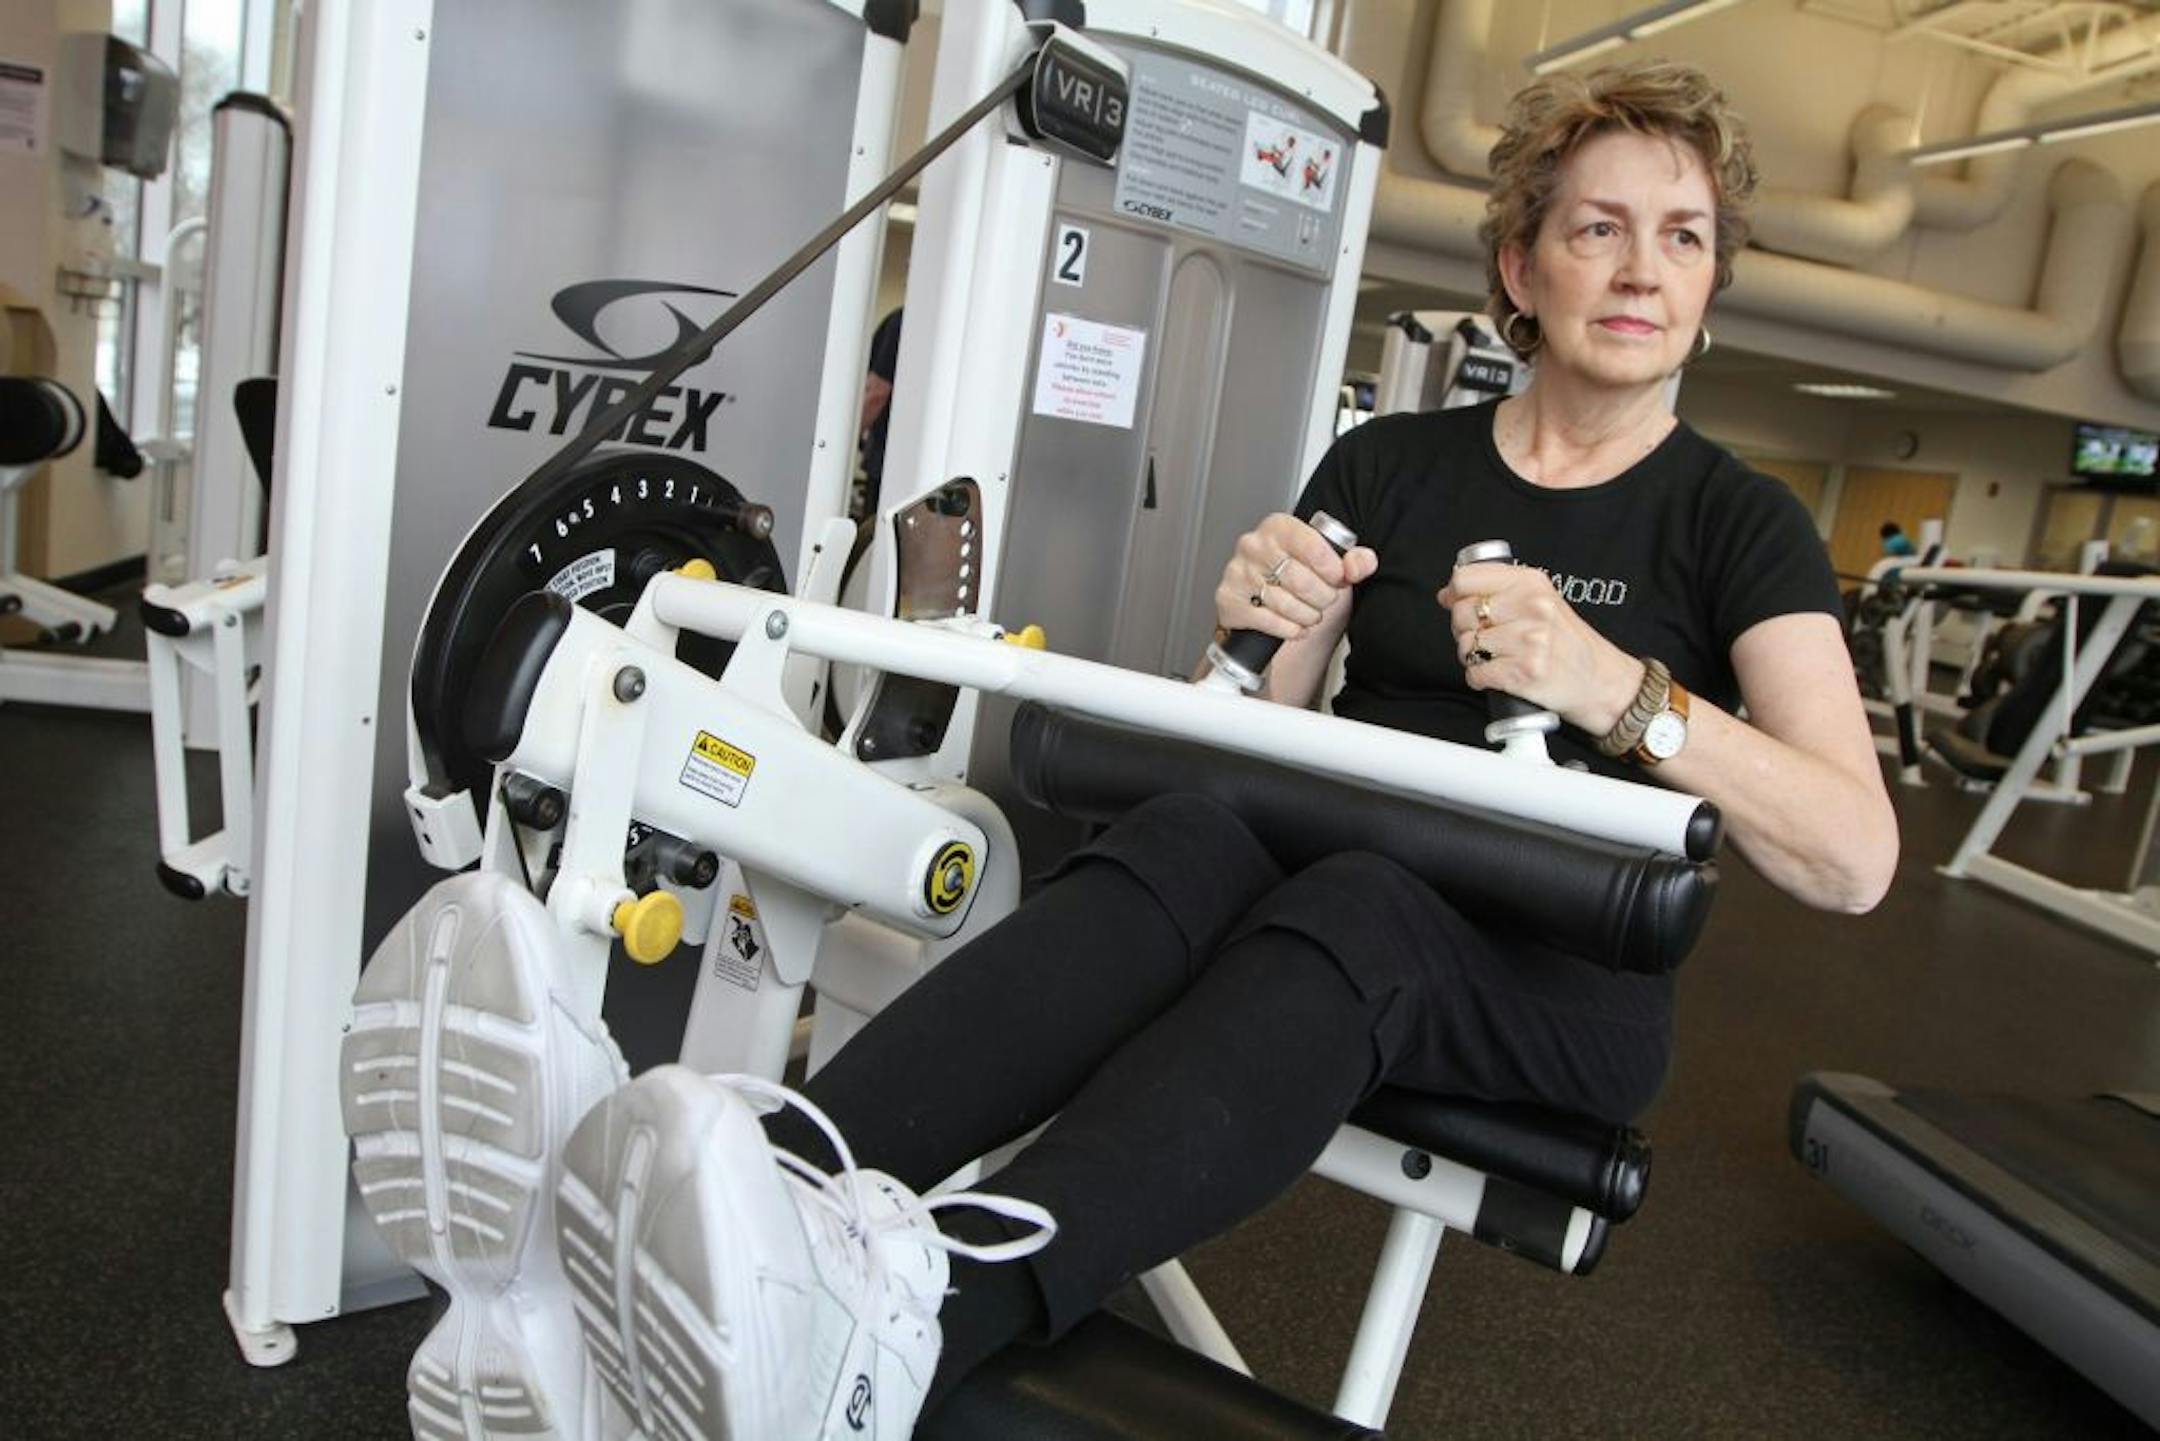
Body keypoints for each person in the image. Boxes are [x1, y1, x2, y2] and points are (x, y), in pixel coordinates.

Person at [526, 60, 1901, 1440]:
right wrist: (1256, 626)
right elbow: (1238, 741)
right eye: (1598, 227)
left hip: (1557, 970)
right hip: (1333, 888)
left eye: (1684, 236)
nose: (1642, 268)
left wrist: (1623, 692)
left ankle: (932, 1317)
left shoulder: (1740, 523)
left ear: (1714, 282)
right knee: (1186, 839)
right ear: (1520, 263)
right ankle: (757, 1197)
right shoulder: (1393, 466)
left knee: (1357, 907)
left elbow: (1853, 856)